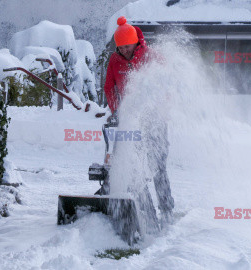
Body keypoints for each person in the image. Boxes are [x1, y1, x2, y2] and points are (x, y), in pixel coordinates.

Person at [104, 17, 175, 230]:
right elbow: (109, 87)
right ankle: (147, 212)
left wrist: (160, 109)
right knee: (133, 167)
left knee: (157, 167)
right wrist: (117, 110)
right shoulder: (114, 61)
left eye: (127, 46)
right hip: (130, 122)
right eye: (120, 47)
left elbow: (167, 86)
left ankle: (167, 209)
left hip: (155, 121)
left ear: (135, 42)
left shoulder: (153, 58)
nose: (124, 50)